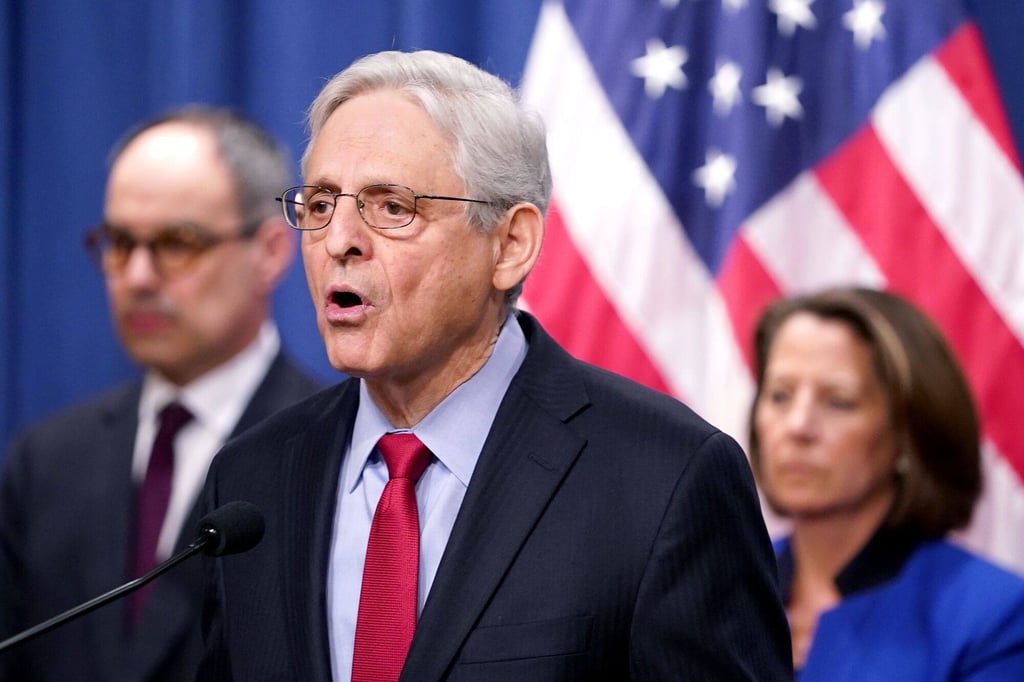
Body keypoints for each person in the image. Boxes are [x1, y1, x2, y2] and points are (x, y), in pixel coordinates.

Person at [195, 49, 791, 681]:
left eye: (391, 206)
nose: (339, 240)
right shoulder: (253, 478)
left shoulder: (665, 481)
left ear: (510, 245)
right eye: (319, 205)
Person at [0, 107, 322, 682]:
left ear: (271, 252)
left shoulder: (330, 452)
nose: (139, 277)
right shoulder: (45, 460)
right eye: (121, 242)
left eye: (178, 242)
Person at [748, 286, 1024, 680]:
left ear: (907, 431)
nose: (797, 426)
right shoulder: (717, 585)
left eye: (837, 401)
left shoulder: (992, 615)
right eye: (779, 395)